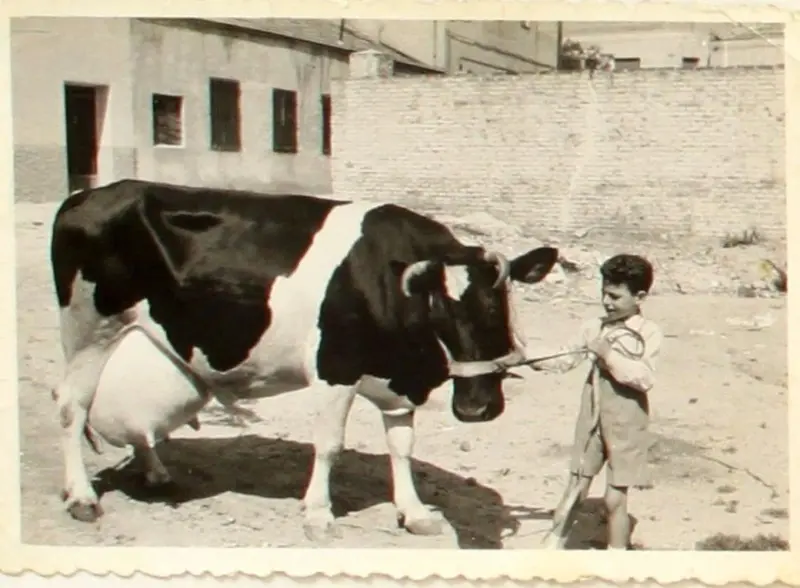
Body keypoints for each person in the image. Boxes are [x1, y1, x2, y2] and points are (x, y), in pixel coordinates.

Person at [526, 253, 664, 550]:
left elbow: (644, 378)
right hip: (592, 416)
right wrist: (530, 357)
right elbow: (566, 358)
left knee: (615, 498)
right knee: (577, 485)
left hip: (627, 420)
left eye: (615, 296)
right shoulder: (593, 327)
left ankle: (616, 556)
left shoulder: (648, 332)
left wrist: (609, 356)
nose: (607, 302)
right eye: (604, 293)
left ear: (639, 296)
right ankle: (553, 544)